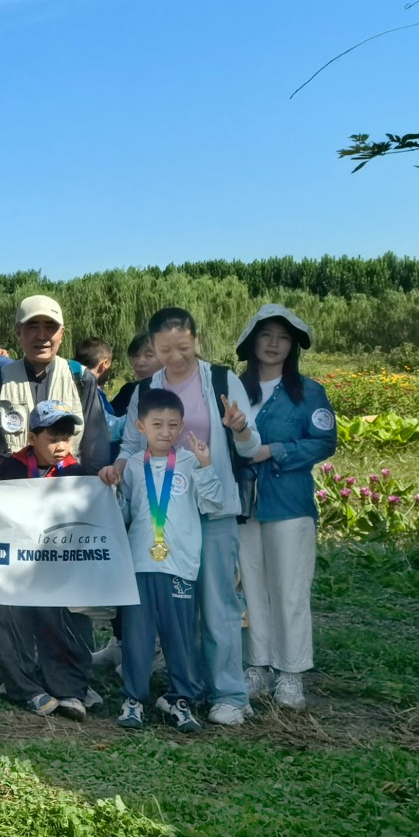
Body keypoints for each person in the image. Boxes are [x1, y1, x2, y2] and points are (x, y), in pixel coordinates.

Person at [102, 307, 262, 725]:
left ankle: (228, 693)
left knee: (218, 603)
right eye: (164, 348)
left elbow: (249, 447)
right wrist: (119, 468)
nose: (174, 357)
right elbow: (131, 443)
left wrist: (240, 428)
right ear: (152, 347)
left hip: (212, 509)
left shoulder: (223, 381)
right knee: (178, 606)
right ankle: (183, 689)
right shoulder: (146, 387)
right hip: (166, 513)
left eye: (183, 347)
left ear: (197, 340)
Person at [236, 304, 336, 710]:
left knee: (289, 589)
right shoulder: (236, 387)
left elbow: (322, 441)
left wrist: (273, 451)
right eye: (266, 335)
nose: (273, 344)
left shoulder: (308, 391)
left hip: (288, 504)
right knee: (251, 588)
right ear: (251, 342)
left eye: (282, 337)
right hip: (243, 504)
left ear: (293, 345)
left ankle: (290, 673)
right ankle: (257, 666)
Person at [114, 388, 227, 733]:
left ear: (180, 427)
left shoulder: (192, 462)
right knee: (137, 636)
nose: (165, 431)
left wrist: (207, 465)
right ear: (140, 426)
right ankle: (133, 699)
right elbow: (123, 513)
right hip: (139, 565)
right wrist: (109, 489)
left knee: (180, 636)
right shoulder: (133, 466)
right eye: (157, 424)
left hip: (180, 565)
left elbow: (214, 504)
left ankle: (182, 701)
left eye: (172, 425)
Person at [0, 401, 98, 718]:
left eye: (66, 437)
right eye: (52, 438)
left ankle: (70, 689)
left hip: (59, 569)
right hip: (14, 567)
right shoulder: (10, 468)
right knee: (11, 620)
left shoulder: (80, 474)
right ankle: (24, 687)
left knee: (63, 623)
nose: (61, 446)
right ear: (32, 437)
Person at [0, 295, 111, 471]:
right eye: (32, 327)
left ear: (61, 333)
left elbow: (96, 445)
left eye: (50, 327)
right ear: (18, 330)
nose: (41, 336)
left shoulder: (80, 378)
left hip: (68, 486)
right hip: (13, 488)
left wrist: (93, 488)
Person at [111, 332, 160, 418]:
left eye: (148, 356)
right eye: (135, 356)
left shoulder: (173, 391)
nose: (140, 362)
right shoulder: (128, 391)